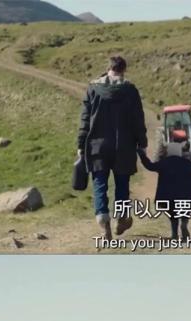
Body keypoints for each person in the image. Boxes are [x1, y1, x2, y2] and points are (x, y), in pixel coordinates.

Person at [77, 56, 147, 241]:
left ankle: (103, 221)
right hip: (124, 146)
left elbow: (85, 119)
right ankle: (121, 218)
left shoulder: (93, 88)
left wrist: (81, 144)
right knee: (122, 185)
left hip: (97, 146)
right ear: (124, 69)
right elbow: (138, 119)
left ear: (109, 67)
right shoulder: (130, 90)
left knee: (99, 184)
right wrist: (142, 143)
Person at [137, 144, 191, 240]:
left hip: (167, 197)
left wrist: (142, 155)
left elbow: (150, 166)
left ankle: (174, 234)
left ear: (168, 152)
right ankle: (184, 223)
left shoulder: (164, 162)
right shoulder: (187, 163)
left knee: (172, 214)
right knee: (184, 209)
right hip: (185, 196)